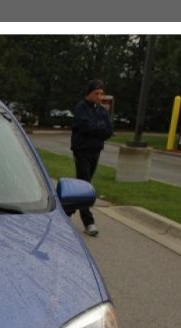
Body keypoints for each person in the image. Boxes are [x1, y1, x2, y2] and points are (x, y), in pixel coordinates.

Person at [69, 79, 113, 236]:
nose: (99, 96)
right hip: (82, 150)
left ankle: (67, 209)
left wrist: (96, 129)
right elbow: (85, 126)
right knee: (84, 183)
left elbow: (109, 130)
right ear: (89, 93)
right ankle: (89, 221)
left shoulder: (101, 110)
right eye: (96, 93)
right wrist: (97, 129)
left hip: (95, 151)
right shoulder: (81, 108)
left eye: (101, 93)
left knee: (84, 183)